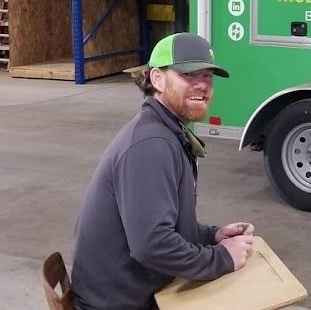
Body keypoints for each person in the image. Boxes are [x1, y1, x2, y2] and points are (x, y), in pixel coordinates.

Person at [70, 33, 255, 310]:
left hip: (134, 292)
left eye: (207, 76)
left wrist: (212, 237)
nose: (202, 85)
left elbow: (162, 224)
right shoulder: (151, 145)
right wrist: (222, 258)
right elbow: (152, 245)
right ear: (157, 79)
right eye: (189, 74)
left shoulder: (166, 132)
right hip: (119, 303)